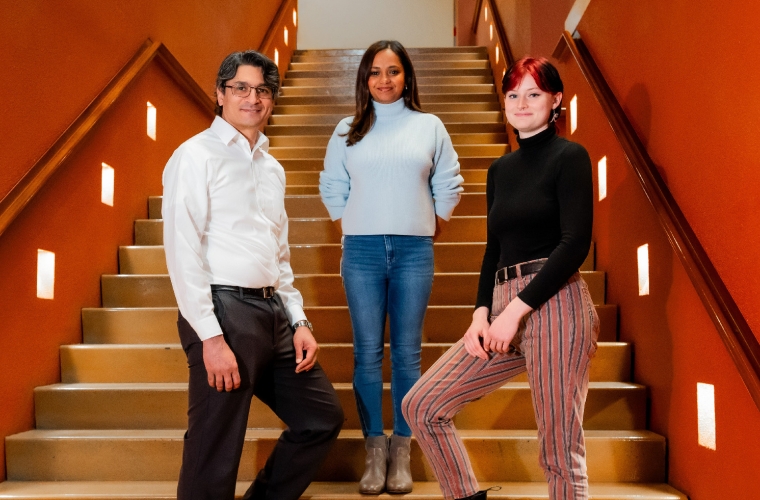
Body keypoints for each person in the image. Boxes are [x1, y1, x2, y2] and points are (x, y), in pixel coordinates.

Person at [402, 57, 599, 500]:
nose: (522, 103)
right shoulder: (499, 171)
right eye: (513, 94)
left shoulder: (571, 157)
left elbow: (574, 245)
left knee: (558, 448)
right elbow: (494, 250)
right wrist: (480, 313)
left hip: (556, 303)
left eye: (534, 93)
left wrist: (516, 309)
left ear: (556, 100)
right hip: (503, 305)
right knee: (423, 405)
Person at [162, 50, 344, 500]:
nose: (252, 98)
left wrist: (298, 321)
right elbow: (183, 252)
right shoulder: (194, 156)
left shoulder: (272, 167)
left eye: (262, 90)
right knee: (214, 447)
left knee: (321, 418)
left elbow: (280, 257)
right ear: (220, 93)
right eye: (241, 88)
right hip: (225, 313)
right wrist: (211, 337)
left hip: (273, 312)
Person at [319, 40, 464, 494]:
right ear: (364, 79)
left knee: (406, 352)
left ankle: (402, 449)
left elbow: (449, 181)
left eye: (394, 71)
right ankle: (374, 450)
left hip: (414, 250)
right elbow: (331, 184)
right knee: (367, 353)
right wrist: (353, 224)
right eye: (375, 72)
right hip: (359, 252)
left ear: (407, 77)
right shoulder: (347, 129)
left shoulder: (429, 126)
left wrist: (428, 225)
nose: (385, 79)